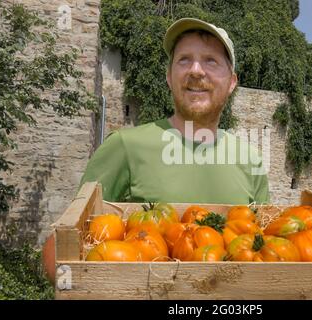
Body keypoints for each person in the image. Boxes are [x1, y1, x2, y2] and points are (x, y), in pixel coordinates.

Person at [79, 18, 270, 205]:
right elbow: (72, 231)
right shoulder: (124, 147)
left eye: (211, 61)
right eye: (184, 60)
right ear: (169, 77)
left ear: (232, 83)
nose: (196, 71)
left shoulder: (251, 161)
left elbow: (268, 234)